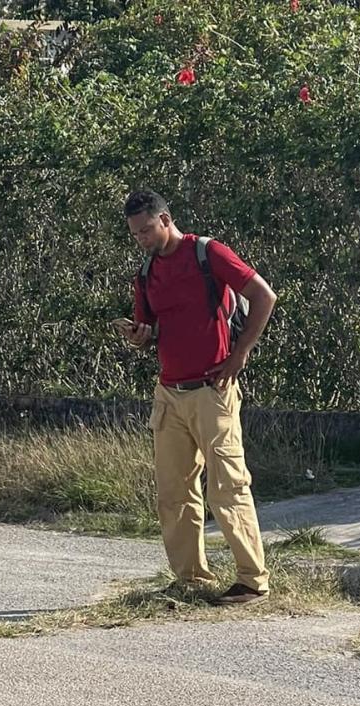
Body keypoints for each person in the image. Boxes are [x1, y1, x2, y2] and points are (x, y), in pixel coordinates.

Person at [116, 190, 278, 605]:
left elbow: (265, 296)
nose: (142, 240)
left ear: (166, 219)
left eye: (147, 230)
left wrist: (239, 354)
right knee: (173, 492)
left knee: (228, 487)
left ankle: (252, 580)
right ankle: (190, 579)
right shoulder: (146, 271)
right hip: (169, 393)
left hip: (213, 390)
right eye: (135, 234)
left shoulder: (208, 253)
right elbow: (149, 329)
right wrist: (138, 337)